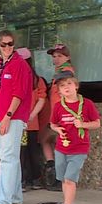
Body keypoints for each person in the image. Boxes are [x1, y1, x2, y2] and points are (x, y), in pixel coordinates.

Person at [0, 30, 32, 204]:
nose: (7, 47)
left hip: (12, 115)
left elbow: (19, 93)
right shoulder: (0, 63)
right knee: (9, 155)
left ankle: (3, 201)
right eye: (3, 44)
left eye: (10, 44)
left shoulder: (19, 64)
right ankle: (14, 196)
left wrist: (8, 116)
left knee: (8, 157)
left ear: (14, 44)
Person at [49, 71, 100, 204]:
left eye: (69, 84)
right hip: (61, 148)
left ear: (76, 86)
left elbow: (97, 123)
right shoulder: (58, 106)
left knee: (70, 179)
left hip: (79, 148)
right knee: (64, 179)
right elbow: (53, 124)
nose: (66, 88)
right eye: (62, 86)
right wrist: (57, 129)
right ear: (58, 91)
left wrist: (83, 124)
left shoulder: (87, 104)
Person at [41, 44, 76, 190]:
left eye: (59, 56)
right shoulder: (60, 71)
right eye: (54, 56)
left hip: (61, 115)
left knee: (49, 141)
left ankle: (56, 176)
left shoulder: (66, 71)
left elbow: (66, 94)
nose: (55, 59)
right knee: (52, 142)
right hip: (58, 115)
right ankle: (56, 174)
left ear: (67, 57)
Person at [16, 48, 47, 190]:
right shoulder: (37, 80)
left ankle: (22, 180)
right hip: (31, 123)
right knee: (32, 150)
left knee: (21, 151)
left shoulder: (16, 78)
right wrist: (32, 115)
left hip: (18, 122)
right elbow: (42, 99)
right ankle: (35, 179)